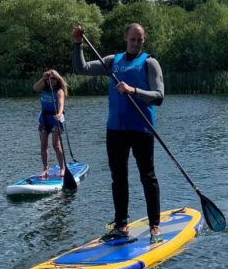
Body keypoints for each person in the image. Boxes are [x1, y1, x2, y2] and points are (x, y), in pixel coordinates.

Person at [72, 23, 165, 243]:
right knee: (118, 178)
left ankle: (154, 225)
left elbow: (159, 96)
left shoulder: (150, 63)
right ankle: (121, 224)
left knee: (147, 177)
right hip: (115, 130)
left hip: (142, 128)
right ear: (126, 38)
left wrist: (133, 90)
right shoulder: (113, 61)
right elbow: (81, 69)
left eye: (139, 40)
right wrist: (77, 45)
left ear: (143, 40)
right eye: (132, 39)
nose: (136, 43)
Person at [33, 70, 68, 179]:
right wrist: (43, 77)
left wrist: (59, 113)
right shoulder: (43, 87)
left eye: (53, 79)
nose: (50, 81)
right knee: (43, 146)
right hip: (44, 119)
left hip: (55, 119)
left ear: (57, 79)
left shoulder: (59, 91)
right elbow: (35, 88)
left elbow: (61, 103)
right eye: (48, 79)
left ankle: (63, 168)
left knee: (56, 145)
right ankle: (45, 169)